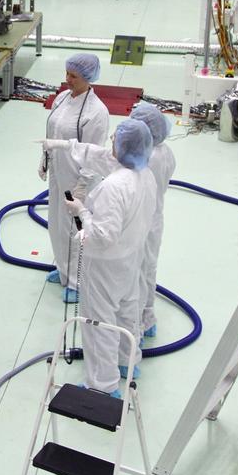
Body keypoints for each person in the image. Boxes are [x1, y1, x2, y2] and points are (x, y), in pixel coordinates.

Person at [44, 119, 157, 395]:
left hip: (104, 264)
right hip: (131, 258)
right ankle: (126, 363)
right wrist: (64, 145)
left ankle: (102, 385)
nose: (110, 143)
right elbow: (98, 156)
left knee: (99, 322)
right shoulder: (145, 175)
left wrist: (80, 212)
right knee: (126, 312)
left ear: (124, 147)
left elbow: (101, 236)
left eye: (115, 139)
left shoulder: (113, 187)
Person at [39, 53, 110, 304]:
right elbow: (51, 132)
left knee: (75, 231)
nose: (66, 79)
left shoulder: (96, 112)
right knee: (56, 224)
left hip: (77, 179)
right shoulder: (61, 99)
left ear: (88, 78)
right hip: (58, 174)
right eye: (67, 73)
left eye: (73, 76)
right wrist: (44, 160)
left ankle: (77, 282)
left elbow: (94, 151)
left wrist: (82, 187)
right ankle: (63, 269)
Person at [129, 103, 176, 340]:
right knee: (148, 268)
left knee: (139, 271)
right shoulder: (165, 151)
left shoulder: (148, 158)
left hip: (142, 220)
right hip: (154, 217)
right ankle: (147, 317)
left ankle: (139, 321)